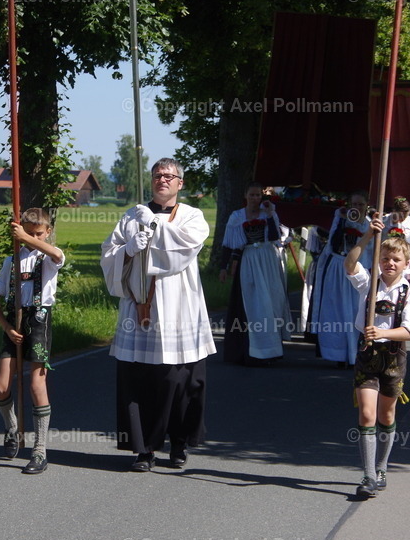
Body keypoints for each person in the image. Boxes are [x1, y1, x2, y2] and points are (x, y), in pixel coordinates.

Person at [101, 158, 216, 471]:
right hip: (139, 305)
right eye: (157, 175)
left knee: (179, 379)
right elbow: (108, 255)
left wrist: (153, 225)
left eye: (168, 175)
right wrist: (127, 250)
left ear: (180, 183)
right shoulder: (131, 215)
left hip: (179, 306)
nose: (162, 179)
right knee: (139, 380)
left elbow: (182, 250)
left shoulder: (192, 216)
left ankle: (178, 444)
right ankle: (144, 449)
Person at [343, 216, 410, 498]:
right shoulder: (368, 284)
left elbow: (409, 332)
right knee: (366, 413)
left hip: (393, 358)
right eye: (385, 258)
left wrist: (383, 333)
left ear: (406, 264)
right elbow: (349, 264)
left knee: (386, 414)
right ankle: (368, 475)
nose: (390, 263)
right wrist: (367, 236)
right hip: (367, 353)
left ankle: (382, 467)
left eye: (396, 260)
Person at [0, 208, 65, 474]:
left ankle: (39, 450)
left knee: (36, 384)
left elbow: (57, 255)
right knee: (1, 386)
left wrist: (25, 237)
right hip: (14, 323)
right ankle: (12, 427)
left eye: (38, 233)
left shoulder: (50, 257)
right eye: (29, 233)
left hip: (39, 321)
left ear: (48, 232)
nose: (34, 238)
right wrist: (7, 327)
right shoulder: (12, 261)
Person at [219, 182, 291, 364]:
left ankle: (271, 350)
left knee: (272, 302)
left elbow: (274, 237)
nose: (255, 198)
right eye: (252, 195)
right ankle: (249, 351)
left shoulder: (268, 214)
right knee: (252, 304)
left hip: (268, 259)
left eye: (258, 195)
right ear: (245, 195)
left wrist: (270, 214)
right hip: (249, 259)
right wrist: (223, 267)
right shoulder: (237, 216)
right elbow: (229, 244)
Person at [311, 192, 373, 367]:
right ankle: (338, 353)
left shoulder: (369, 224)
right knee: (336, 310)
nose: (357, 208)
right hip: (338, 266)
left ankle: (355, 353)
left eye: (361, 204)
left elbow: (371, 251)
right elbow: (333, 243)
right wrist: (341, 221)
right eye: (354, 204)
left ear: (366, 206)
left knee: (355, 310)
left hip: (358, 269)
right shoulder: (341, 219)